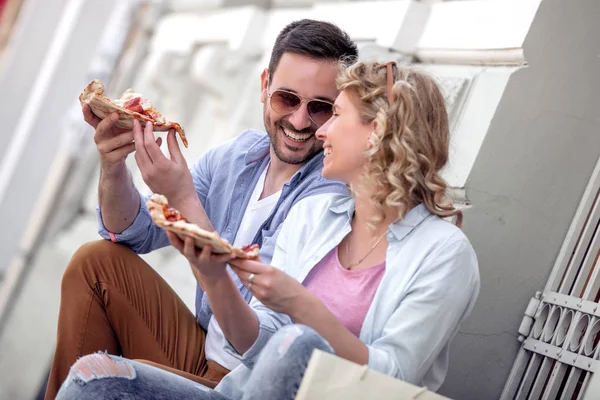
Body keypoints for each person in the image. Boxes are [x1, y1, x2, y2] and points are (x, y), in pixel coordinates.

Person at [55, 61, 480, 400]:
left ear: (377, 133)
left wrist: (302, 305)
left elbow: (396, 377)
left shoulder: (444, 253)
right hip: (240, 386)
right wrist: (216, 275)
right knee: (92, 380)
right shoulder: (316, 214)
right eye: (287, 98)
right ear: (265, 87)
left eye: (333, 113)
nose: (319, 128)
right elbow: (254, 344)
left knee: (296, 344)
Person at [44, 19, 358, 399]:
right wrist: (113, 167)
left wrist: (183, 198)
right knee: (95, 261)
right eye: (286, 99)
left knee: (96, 378)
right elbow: (132, 232)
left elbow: (251, 331)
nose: (299, 120)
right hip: (200, 347)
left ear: (339, 112)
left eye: (320, 108)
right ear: (264, 86)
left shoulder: (329, 193)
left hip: (242, 379)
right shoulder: (240, 155)